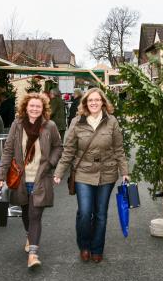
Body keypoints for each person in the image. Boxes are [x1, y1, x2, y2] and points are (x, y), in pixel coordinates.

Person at [53, 88, 129, 263]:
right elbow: (69, 150)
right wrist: (59, 172)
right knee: (85, 213)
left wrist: (124, 172)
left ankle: (97, 248)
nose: (94, 103)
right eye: (90, 100)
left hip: (107, 172)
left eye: (97, 100)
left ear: (103, 102)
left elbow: (119, 149)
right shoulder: (76, 122)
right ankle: (84, 245)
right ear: (85, 103)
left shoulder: (112, 121)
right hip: (83, 173)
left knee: (101, 213)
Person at [0, 93, 62, 269]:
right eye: (31, 106)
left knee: (35, 214)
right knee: (25, 212)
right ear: (26, 107)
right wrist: (1, 175)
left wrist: (51, 162)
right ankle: (29, 235)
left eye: (38, 106)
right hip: (21, 178)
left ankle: (33, 254)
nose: (34, 109)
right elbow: (8, 150)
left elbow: (58, 147)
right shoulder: (17, 125)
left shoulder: (50, 126)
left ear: (43, 109)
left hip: (41, 177)